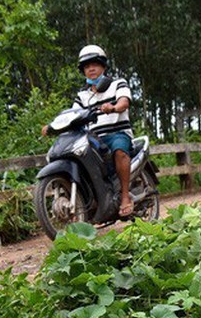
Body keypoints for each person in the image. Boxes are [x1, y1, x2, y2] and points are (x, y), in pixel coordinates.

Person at [42, 44, 134, 217]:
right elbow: (72, 114)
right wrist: (52, 126)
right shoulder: (82, 95)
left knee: (120, 151)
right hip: (93, 138)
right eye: (86, 66)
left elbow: (124, 103)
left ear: (103, 66)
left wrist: (113, 108)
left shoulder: (117, 84)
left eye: (95, 64)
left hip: (117, 134)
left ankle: (124, 197)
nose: (91, 69)